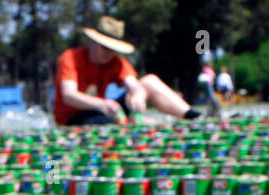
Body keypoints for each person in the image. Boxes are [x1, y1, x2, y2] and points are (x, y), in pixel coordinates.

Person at [53, 16, 201, 126]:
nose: (109, 53)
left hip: (103, 110)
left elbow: (135, 85)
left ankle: (191, 117)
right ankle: (148, 124)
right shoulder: (70, 58)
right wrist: (101, 104)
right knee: (120, 124)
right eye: (105, 47)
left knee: (149, 81)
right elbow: (68, 95)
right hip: (73, 119)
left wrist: (137, 95)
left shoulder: (115, 62)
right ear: (94, 42)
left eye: (113, 49)